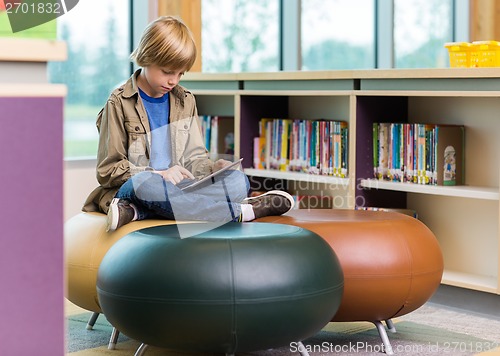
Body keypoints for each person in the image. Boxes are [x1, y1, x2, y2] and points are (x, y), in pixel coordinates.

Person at [82, 16, 294, 232]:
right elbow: (108, 171)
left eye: (180, 73)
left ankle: (137, 212)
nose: (174, 80)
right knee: (149, 186)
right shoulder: (118, 102)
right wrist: (158, 174)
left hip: (180, 189)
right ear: (146, 57)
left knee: (238, 182)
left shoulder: (186, 100)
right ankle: (240, 212)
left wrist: (214, 168)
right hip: (138, 186)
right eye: (167, 71)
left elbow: (194, 160)